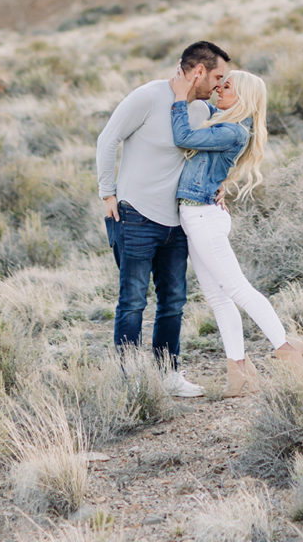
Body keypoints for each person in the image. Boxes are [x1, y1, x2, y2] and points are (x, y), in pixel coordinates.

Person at [170, 65, 303, 398]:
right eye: (219, 83)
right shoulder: (226, 122)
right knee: (220, 301)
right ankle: (239, 373)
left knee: (238, 290)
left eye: (227, 86)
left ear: (244, 97)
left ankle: (287, 351)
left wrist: (179, 98)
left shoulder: (234, 130)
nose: (219, 88)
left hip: (203, 218)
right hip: (198, 217)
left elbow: (184, 137)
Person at [96, 39, 230, 397]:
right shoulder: (146, 97)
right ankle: (133, 382)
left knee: (173, 301)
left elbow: (206, 157)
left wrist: (218, 186)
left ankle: (169, 374)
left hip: (179, 221)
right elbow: (108, 139)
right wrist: (107, 192)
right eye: (217, 75)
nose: (219, 84)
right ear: (198, 71)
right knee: (133, 301)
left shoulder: (202, 111)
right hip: (136, 216)